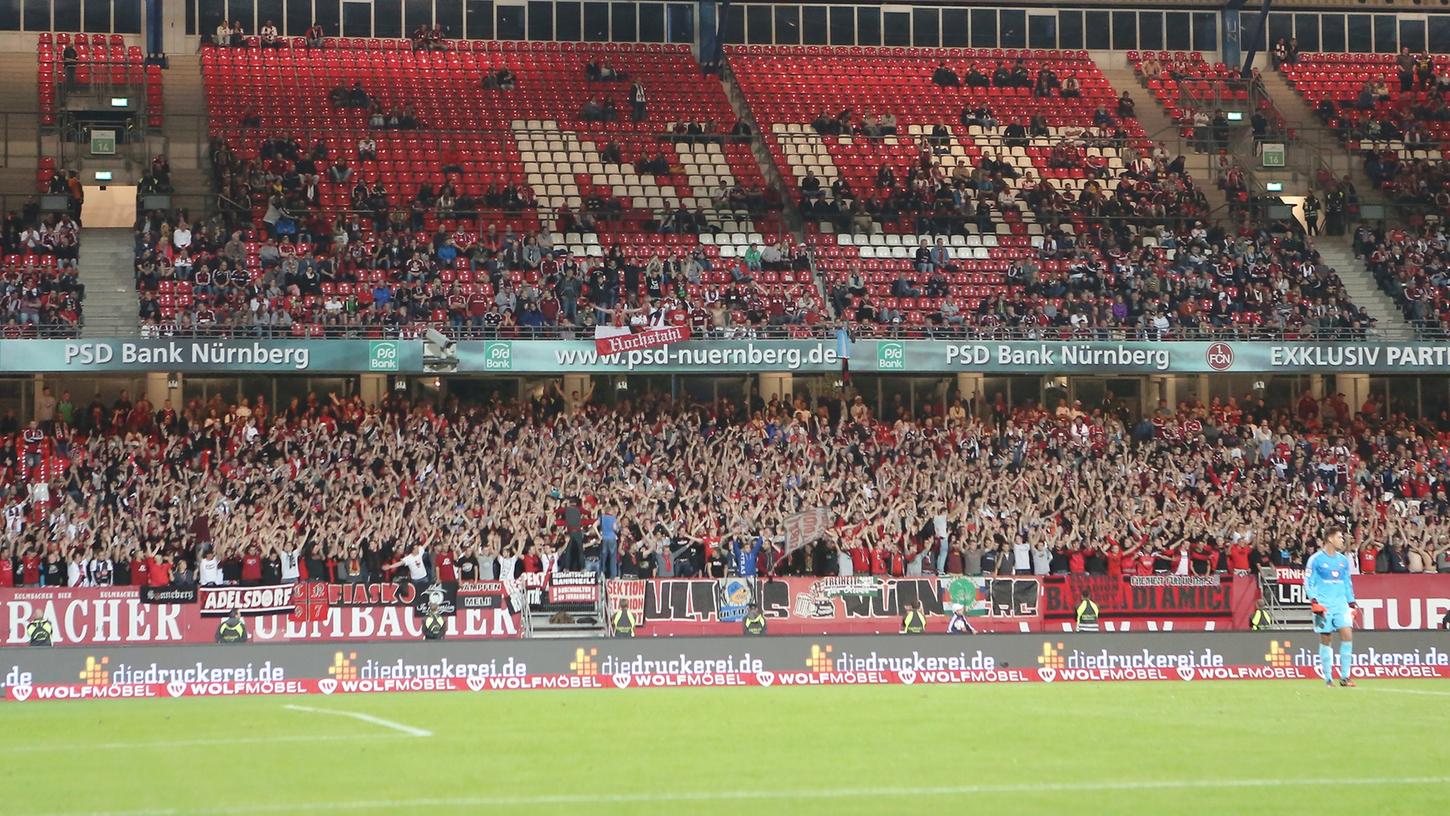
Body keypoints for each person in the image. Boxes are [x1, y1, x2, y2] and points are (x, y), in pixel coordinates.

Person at [1305, 524, 1357, 687]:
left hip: (1340, 604)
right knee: (1326, 638)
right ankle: (1328, 678)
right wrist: (1313, 599)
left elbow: (1347, 583)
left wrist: (1351, 601)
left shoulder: (1343, 561)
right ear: (1330, 538)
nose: (1343, 540)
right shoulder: (1315, 559)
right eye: (1340, 537)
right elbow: (1308, 581)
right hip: (1323, 605)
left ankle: (1345, 677)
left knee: (1347, 634)